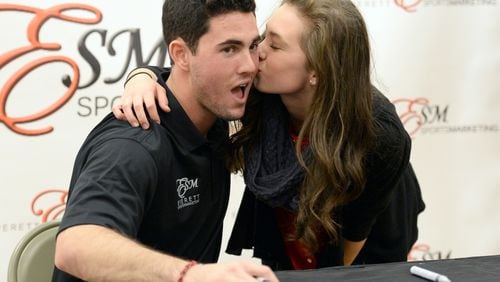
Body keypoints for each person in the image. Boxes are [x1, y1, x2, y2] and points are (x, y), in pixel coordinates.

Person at [113, 0, 425, 271]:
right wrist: (141, 78)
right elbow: (189, 76)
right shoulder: (258, 89)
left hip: (366, 245)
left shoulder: (378, 135)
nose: (255, 54)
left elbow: (350, 247)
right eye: (262, 37)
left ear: (318, 70)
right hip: (285, 237)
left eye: (273, 45)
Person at [52, 0, 279, 281]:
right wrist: (189, 274)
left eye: (253, 46)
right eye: (229, 49)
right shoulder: (132, 145)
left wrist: (141, 74)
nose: (249, 66)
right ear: (181, 55)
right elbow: (75, 246)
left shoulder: (217, 105)